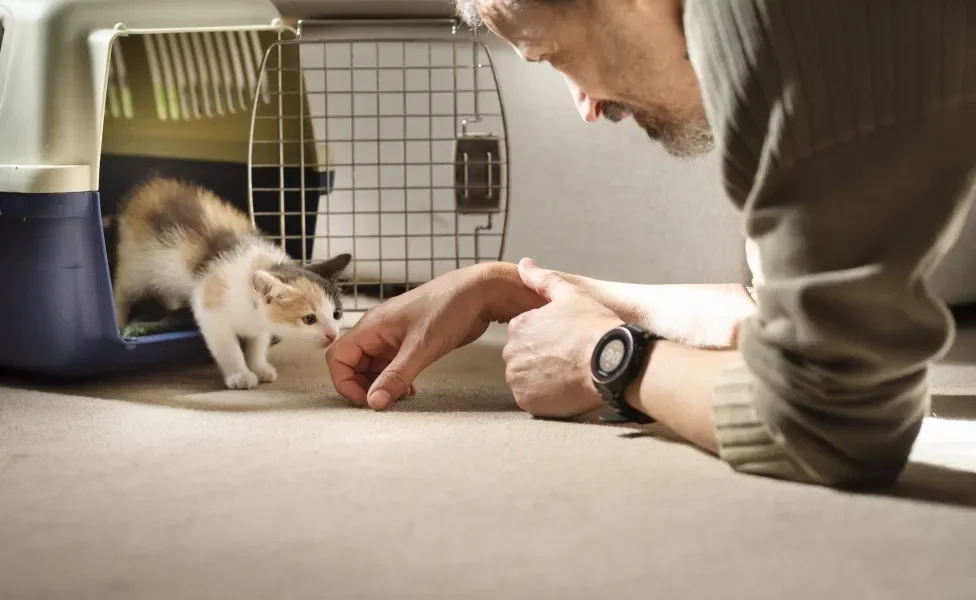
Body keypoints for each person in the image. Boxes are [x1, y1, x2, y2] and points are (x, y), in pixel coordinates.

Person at [326, 0, 976, 489]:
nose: (584, 105)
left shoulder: (785, 29)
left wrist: (607, 358)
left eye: (555, 55)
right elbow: (783, 311)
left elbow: (831, 417)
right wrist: (521, 290)